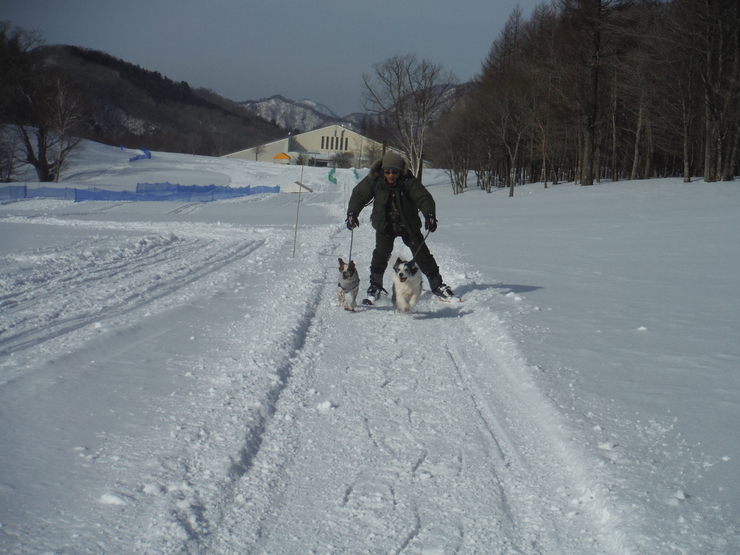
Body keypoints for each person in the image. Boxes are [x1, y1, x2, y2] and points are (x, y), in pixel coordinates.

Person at [345, 152, 455, 303]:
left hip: (407, 225)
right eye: (388, 172)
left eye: (395, 172)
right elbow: (359, 195)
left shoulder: (408, 181)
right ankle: (375, 287)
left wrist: (429, 215)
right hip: (385, 225)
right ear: (383, 170)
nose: (391, 175)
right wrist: (352, 214)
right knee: (380, 255)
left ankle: (437, 285)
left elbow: (423, 197)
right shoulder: (375, 180)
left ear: (400, 171)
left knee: (422, 254)